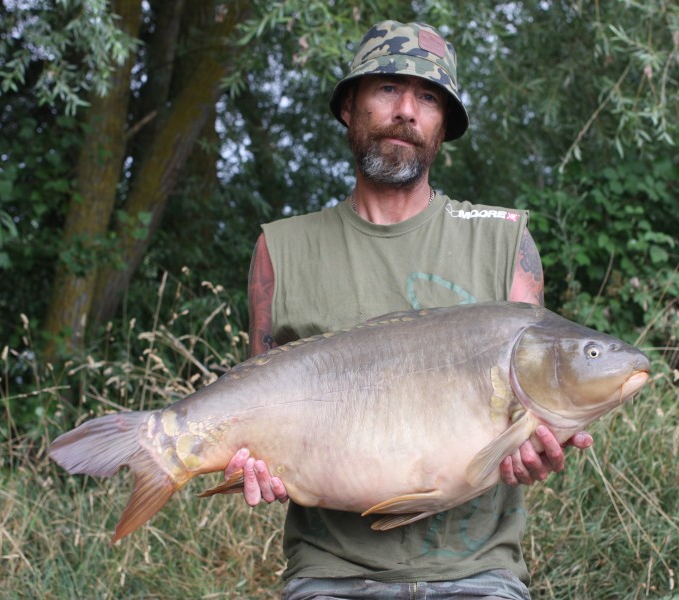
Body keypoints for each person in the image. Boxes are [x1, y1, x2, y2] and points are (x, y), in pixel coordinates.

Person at [223, 21, 593, 599]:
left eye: (427, 98)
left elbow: (531, 405)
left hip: (478, 573)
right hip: (329, 572)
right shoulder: (282, 248)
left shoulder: (503, 239)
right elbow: (259, 399)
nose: (406, 111)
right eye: (388, 88)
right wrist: (251, 463)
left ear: (443, 125)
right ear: (349, 106)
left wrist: (537, 449)